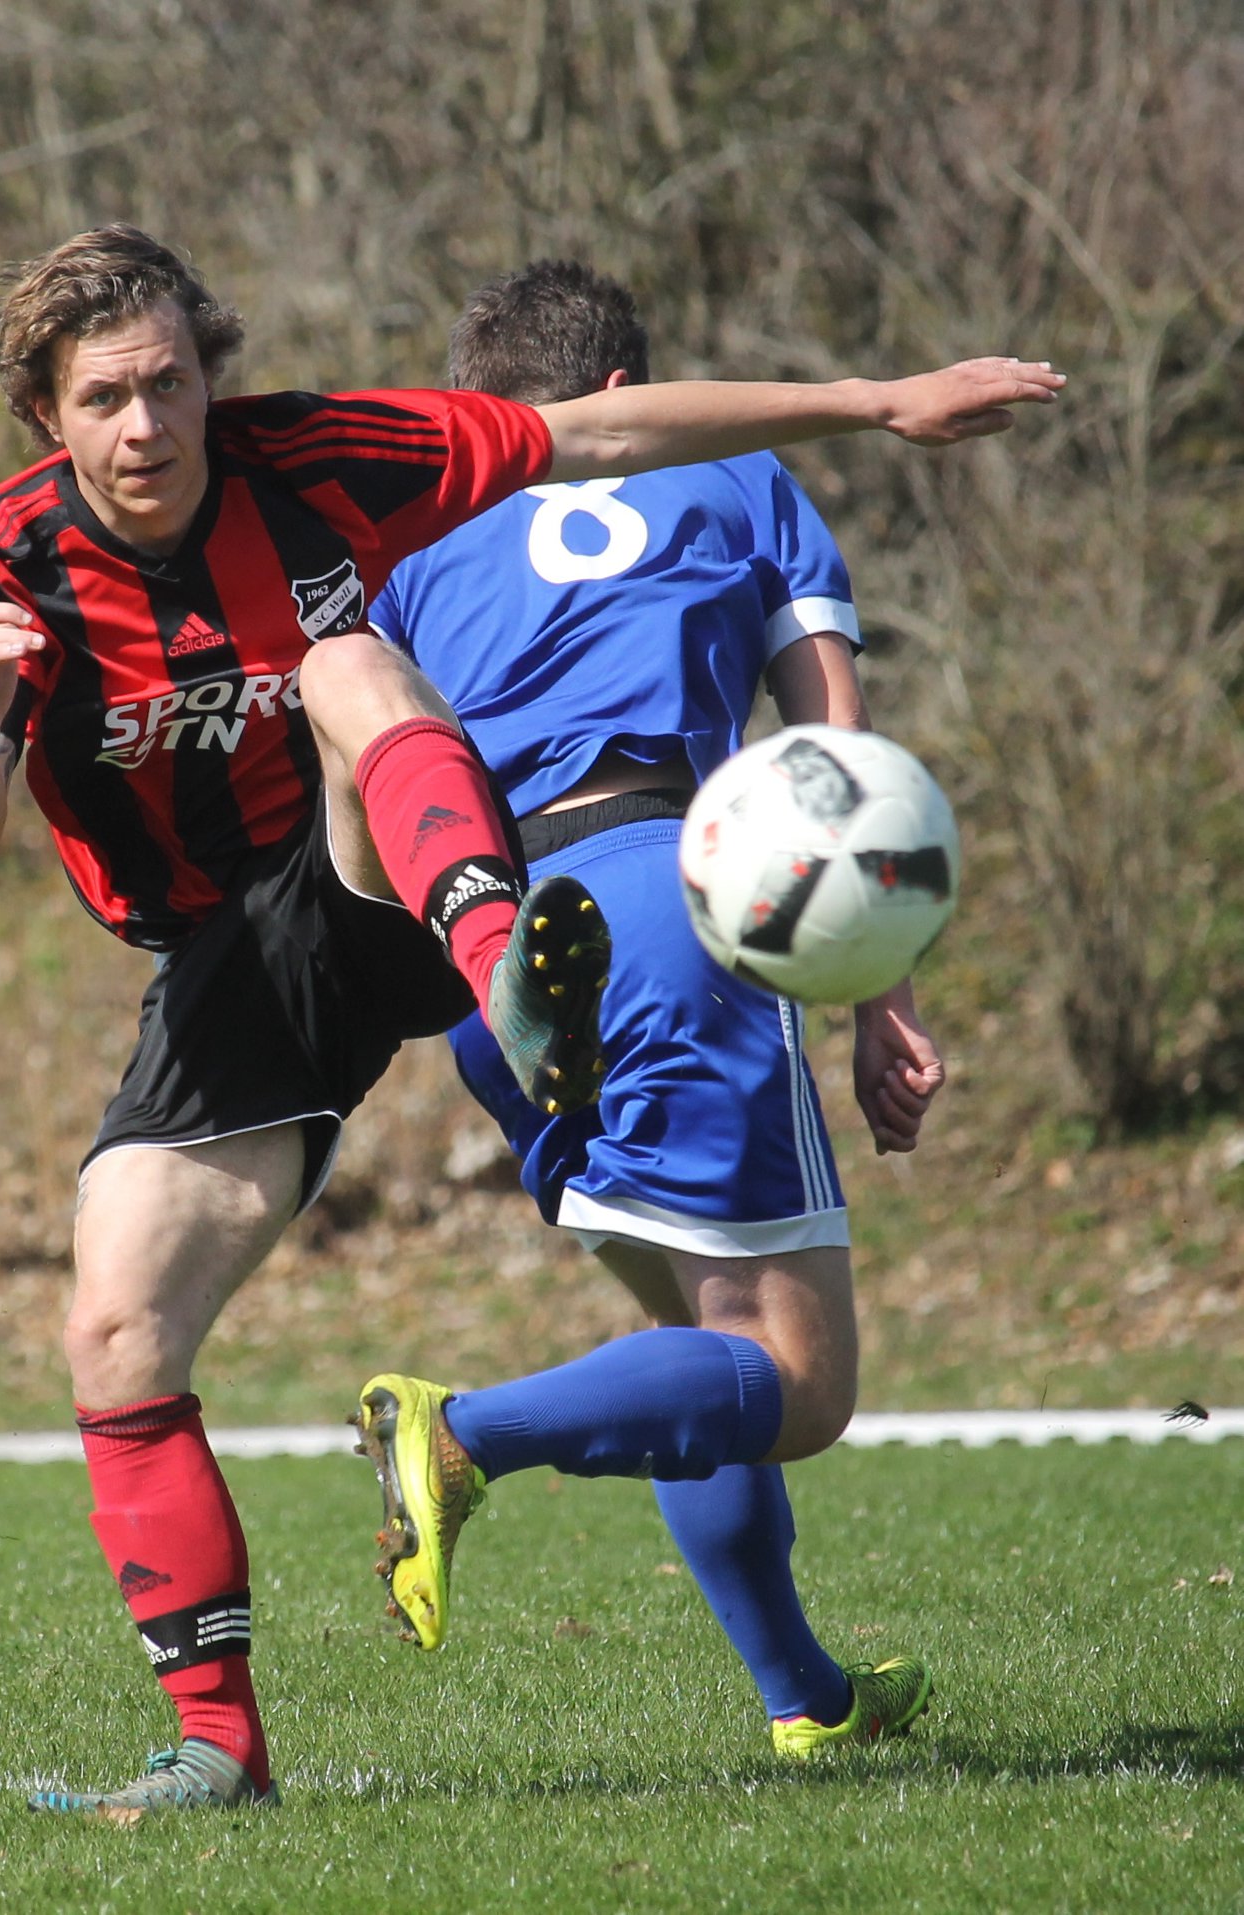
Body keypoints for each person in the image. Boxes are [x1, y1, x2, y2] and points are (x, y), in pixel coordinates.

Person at [0, 223, 1062, 1817]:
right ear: (46, 416)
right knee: (114, 1330)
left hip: (407, 873)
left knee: (341, 666)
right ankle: (217, 1750)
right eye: (106, 397)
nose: (148, 425)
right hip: (244, 965)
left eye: (172, 382)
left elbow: (587, 429)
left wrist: (877, 400)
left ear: (208, 374)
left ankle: (501, 959)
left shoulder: (320, 460)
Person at [355, 261, 1010, 1757]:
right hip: (663, 902)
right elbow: (832, 765)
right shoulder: (737, 469)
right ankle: (454, 1435)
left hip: (492, 955)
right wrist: (873, 984)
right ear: (629, 395)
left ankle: (807, 1701)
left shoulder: (410, 518)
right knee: (795, 1384)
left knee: (695, 1337)